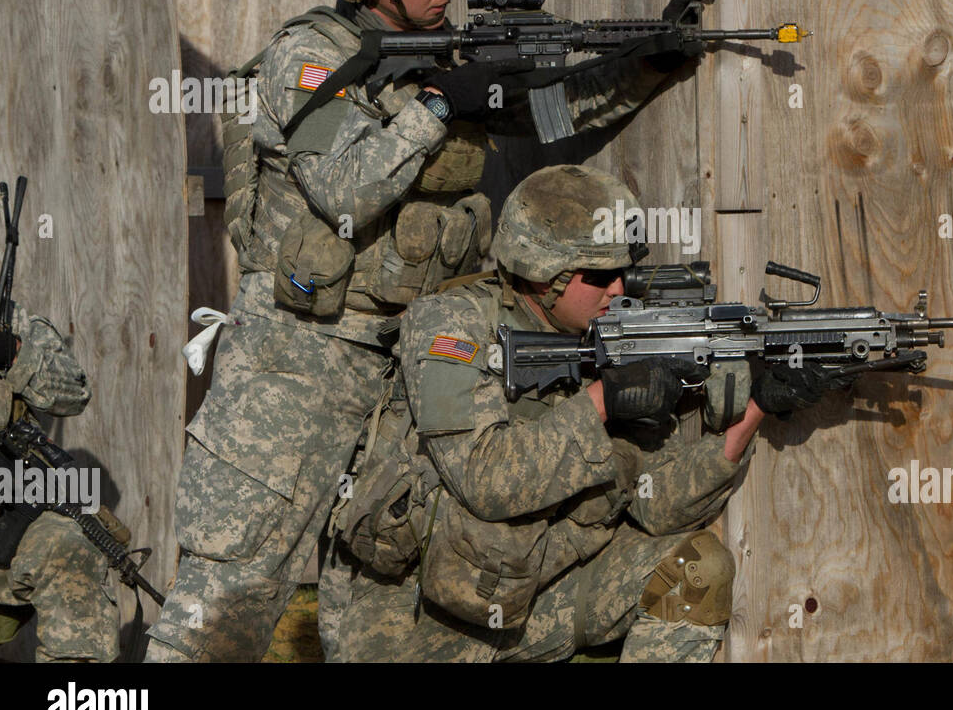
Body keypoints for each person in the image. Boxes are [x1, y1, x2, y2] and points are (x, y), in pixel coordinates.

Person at [147, 0, 707, 662]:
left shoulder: (440, 53)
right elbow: (342, 183)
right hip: (296, 365)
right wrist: (439, 105)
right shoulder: (305, 59)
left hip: (404, 357)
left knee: (374, 585)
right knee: (230, 594)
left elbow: (555, 114)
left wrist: (648, 61)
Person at [325, 165, 844, 661]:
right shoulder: (452, 325)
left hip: (540, 599)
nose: (618, 289)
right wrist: (603, 400)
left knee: (698, 571)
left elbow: (655, 505)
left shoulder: (613, 336)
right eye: (599, 274)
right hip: (415, 620)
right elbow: (484, 478)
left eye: (624, 271)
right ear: (542, 274)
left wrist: (756, 410)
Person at [0, 305, 117, 663]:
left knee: (70, 546)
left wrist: (12, 351)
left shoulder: (7, 316)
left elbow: (73, 392)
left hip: (8, 513)